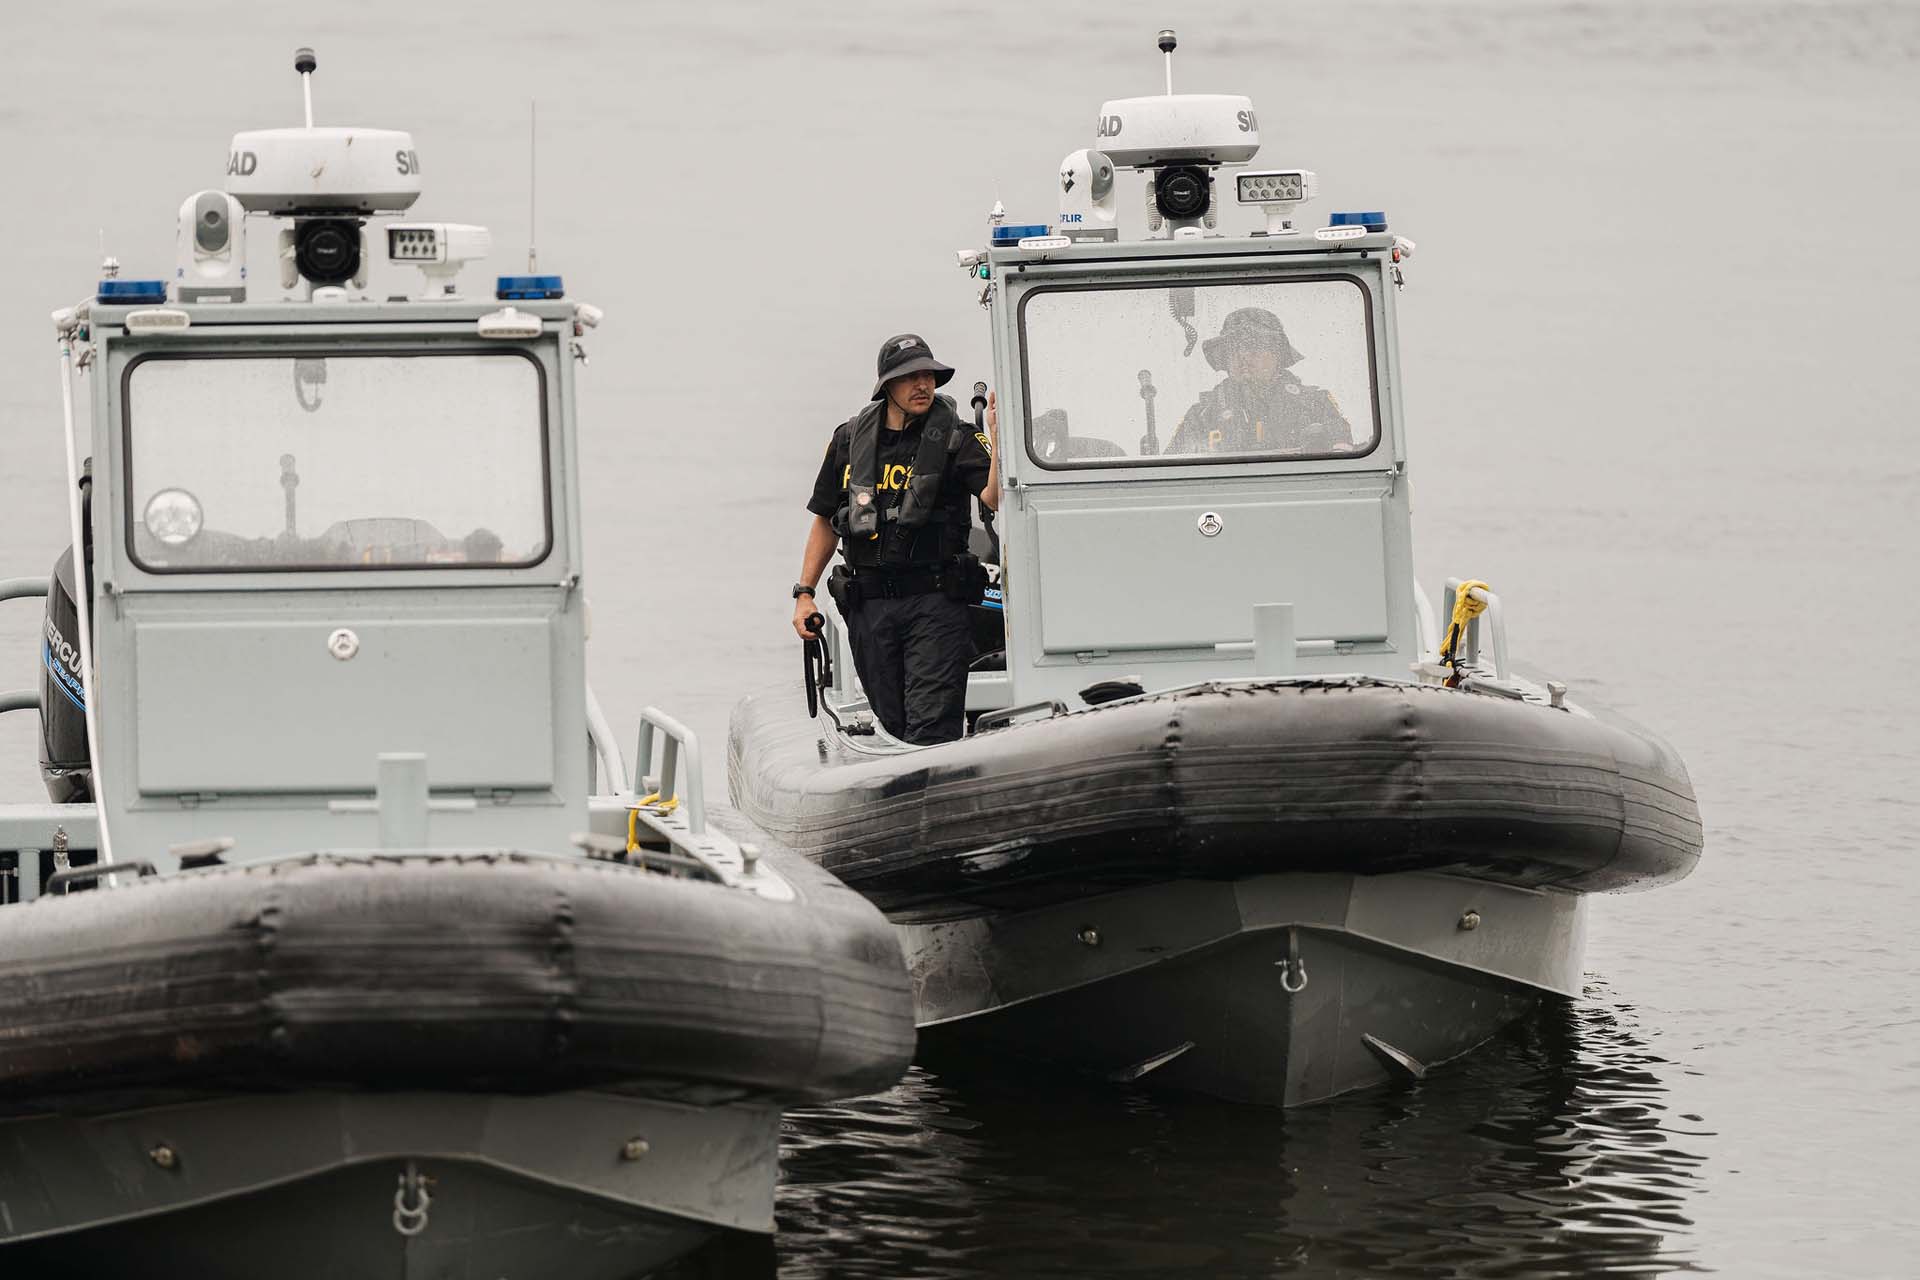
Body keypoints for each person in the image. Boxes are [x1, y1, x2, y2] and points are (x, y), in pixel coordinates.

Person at [790, 334, 1000, 745]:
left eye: (928, 375)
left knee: (930, 730)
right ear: (887, 385)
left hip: (935, 604)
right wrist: (804, 593)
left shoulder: (957, 438)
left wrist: (999, 438)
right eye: (910, 377)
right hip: (870, 608)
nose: (923, 384)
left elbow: (993, 496)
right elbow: (824, 521)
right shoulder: (849, 440)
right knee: (894, 727)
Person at [1165, 307, 1354, 455]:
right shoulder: (1201, 416)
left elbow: (1344, 470)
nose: (1244, 355)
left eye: (1254, 345)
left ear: (1277, 354)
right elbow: (1172, 477)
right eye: (1234, 348)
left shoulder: (1316, 405)